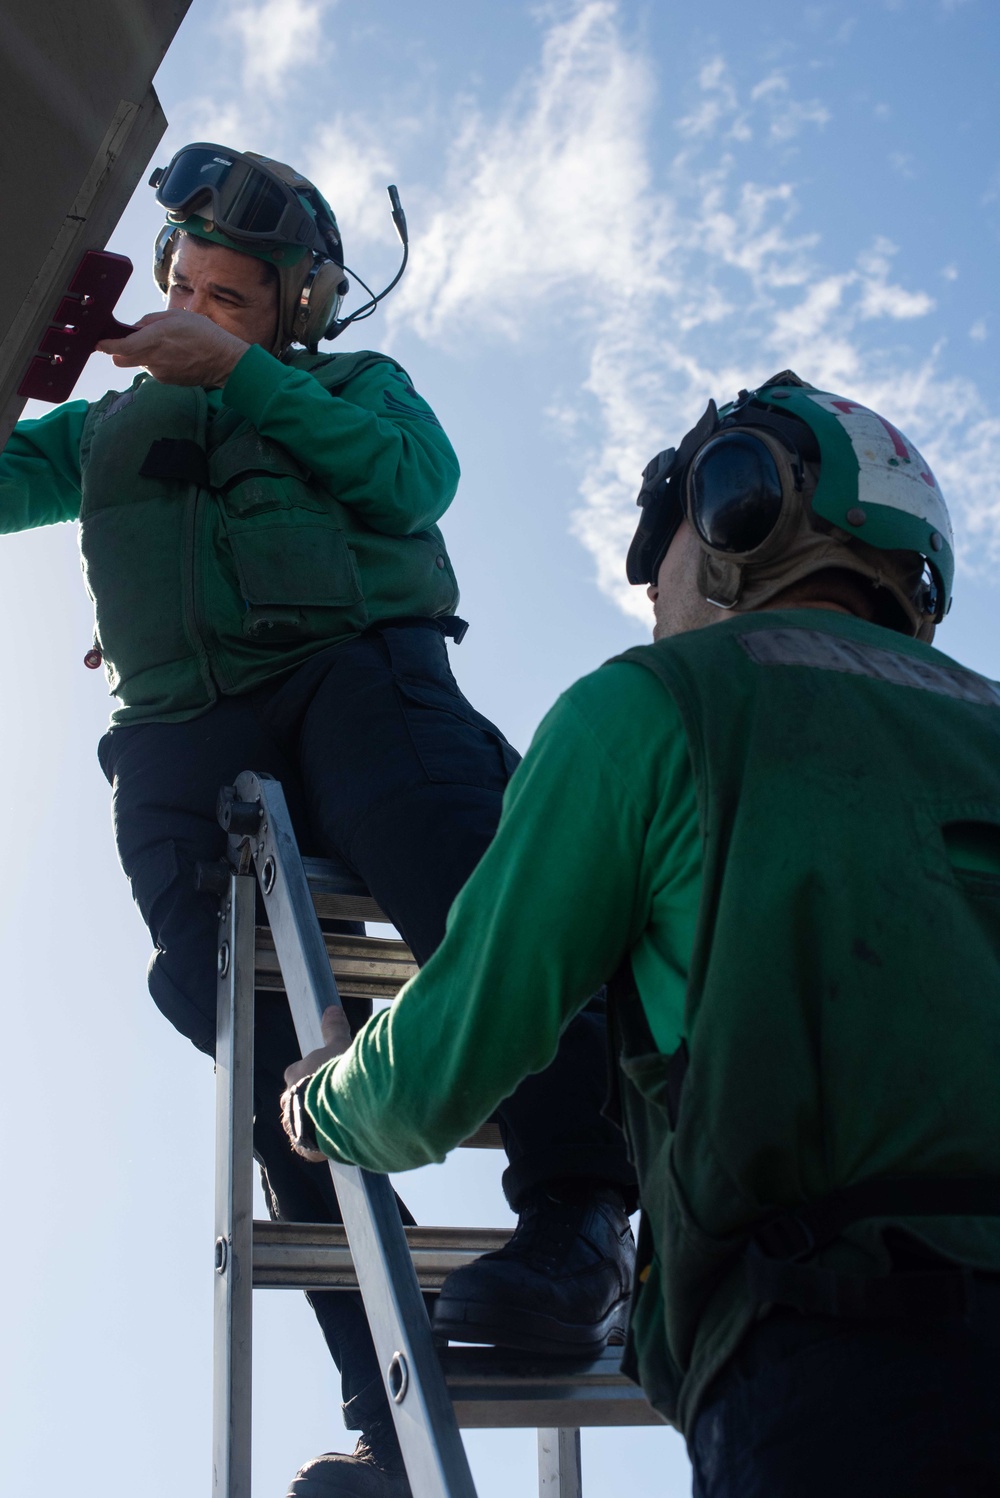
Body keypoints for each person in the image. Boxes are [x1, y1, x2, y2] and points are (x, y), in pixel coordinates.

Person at [0, 143, 636, 1498]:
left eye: (232, 300)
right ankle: (389, 1420)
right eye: (187, 287)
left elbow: (414, 482)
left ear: (293, 312)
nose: (196, 310)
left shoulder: (355, 391)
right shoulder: (103, 432)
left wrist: (240, 376)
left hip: (358, 674)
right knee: (245, 1043)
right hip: (178, 735)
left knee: (467, 887)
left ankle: (581, 1211)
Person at [282, 370, 1000, 1497]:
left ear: (737, 507)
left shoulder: (652, 704)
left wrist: (322, 1098)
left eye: (660, 539)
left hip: (850, 1373)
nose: (650, 590)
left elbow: (448, 1055)